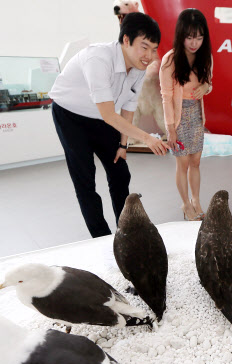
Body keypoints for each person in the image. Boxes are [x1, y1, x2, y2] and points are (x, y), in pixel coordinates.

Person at [49, 13, 169, 238]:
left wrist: (123, 145)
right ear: (126, 40)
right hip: (70, 116)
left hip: (105, 118)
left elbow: (129, 106)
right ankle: (102, 239)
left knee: (120, 173)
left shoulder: (140, 68)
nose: (149, 56)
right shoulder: (98, 58)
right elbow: (108, 114)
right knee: (85, 179)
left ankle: (127, 231)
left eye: (154, 49)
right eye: (144, 47)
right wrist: (148, 138)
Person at [160, 8, 213, 221]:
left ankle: (196, 200)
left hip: (197, 116)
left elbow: (209, 83)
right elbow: (166, 97)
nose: (194, 43)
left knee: (196, 162)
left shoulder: (205, 57)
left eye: (199, 38)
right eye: (190, 37)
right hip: (178, 118)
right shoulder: (169, 60)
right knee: (182, 163)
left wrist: (205, 87)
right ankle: (185, 204)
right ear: (181, 35)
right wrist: (170, 128)